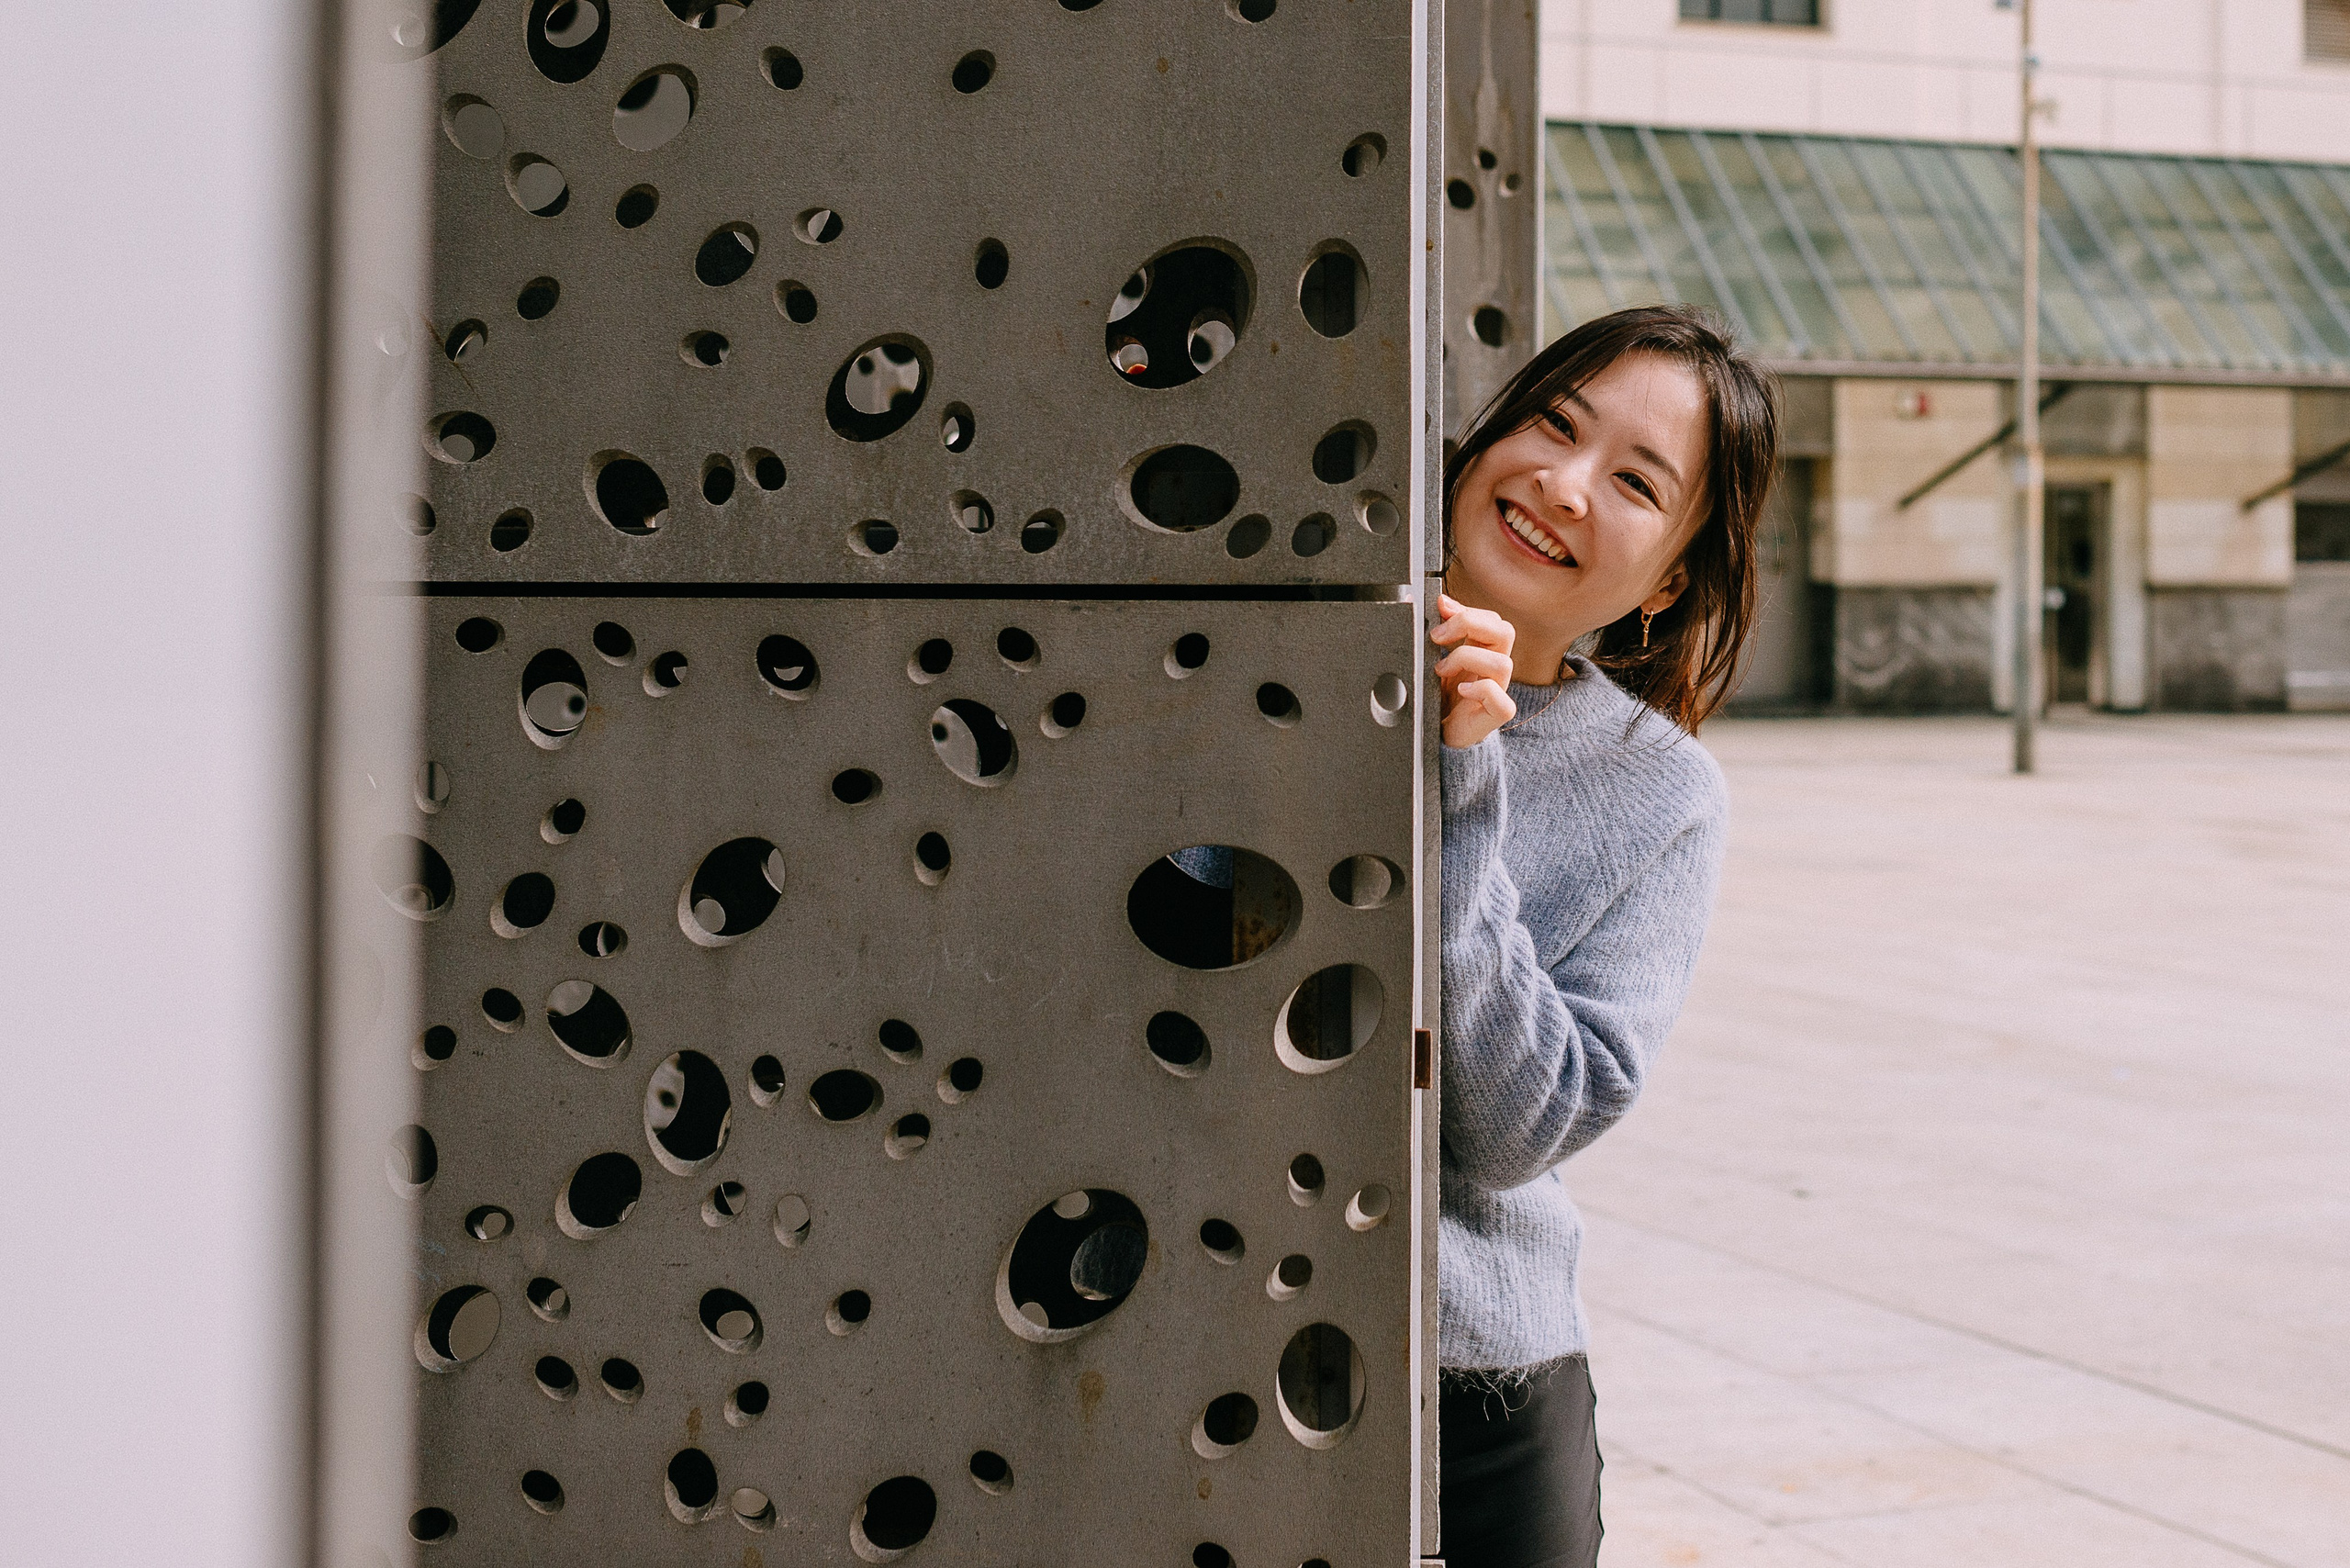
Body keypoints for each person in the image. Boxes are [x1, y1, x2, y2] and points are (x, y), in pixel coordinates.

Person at [1429, 304, 1780, 1568]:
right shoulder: (1247, 666)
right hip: (1162, 1320)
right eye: (1552, 426)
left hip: (1473, 1391)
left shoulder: (1662, 794)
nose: (1561, 486)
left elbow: (1517, 1128)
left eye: (1634, 482)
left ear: (1673, 575)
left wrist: (1463, 781)